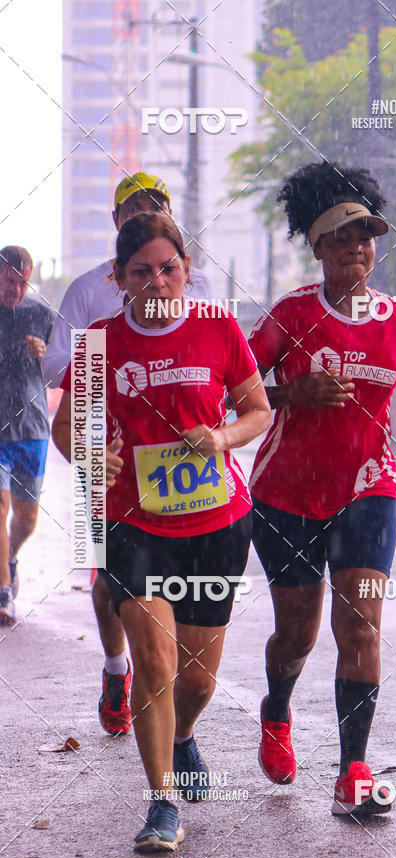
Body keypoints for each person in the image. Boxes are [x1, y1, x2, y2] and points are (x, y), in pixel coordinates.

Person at [52, 212, 270, 852]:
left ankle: (182, 734)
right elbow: (69, 430)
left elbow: (256, 409)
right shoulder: (98, 343)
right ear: (119, 278)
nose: (156, 282)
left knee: (197, 679)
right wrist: (94, 459)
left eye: (168, 269)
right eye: (141, 272)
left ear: (186, 271)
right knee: (155, 663)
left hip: (217, 523)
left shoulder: (219, 328)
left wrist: (222, 437)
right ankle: (161, 803)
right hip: (133, 520)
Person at [248, 161, 396, 817]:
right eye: (346, 235)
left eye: (369, 234)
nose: (360, 246)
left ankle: (352, 772)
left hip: (368, 485)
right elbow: (235, 388)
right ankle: (277, 709)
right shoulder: (291, 314)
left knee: (360, 623)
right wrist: (291, 392)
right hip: (286, 493)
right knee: (298, 633)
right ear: (320, 246)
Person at [43, 172, 213, 737]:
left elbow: (217, 361)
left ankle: (171, 693)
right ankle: (119, 670)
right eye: (133, 207)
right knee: (105, 579)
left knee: (187, 586)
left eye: (156, 205)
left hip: (185, 465)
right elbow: (59, 365)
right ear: (115, 222)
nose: (144, 213)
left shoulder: (193, 280)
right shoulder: (91, 288)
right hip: (108, 455)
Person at [0, 246, 55, 626]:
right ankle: (3, 592)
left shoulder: (41, 314)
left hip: (32, 428)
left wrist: (46, 352)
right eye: (8, 280)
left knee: (26, 516)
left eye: (22, 282)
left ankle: (9, 556)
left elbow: (71, 365)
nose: (16, 290)